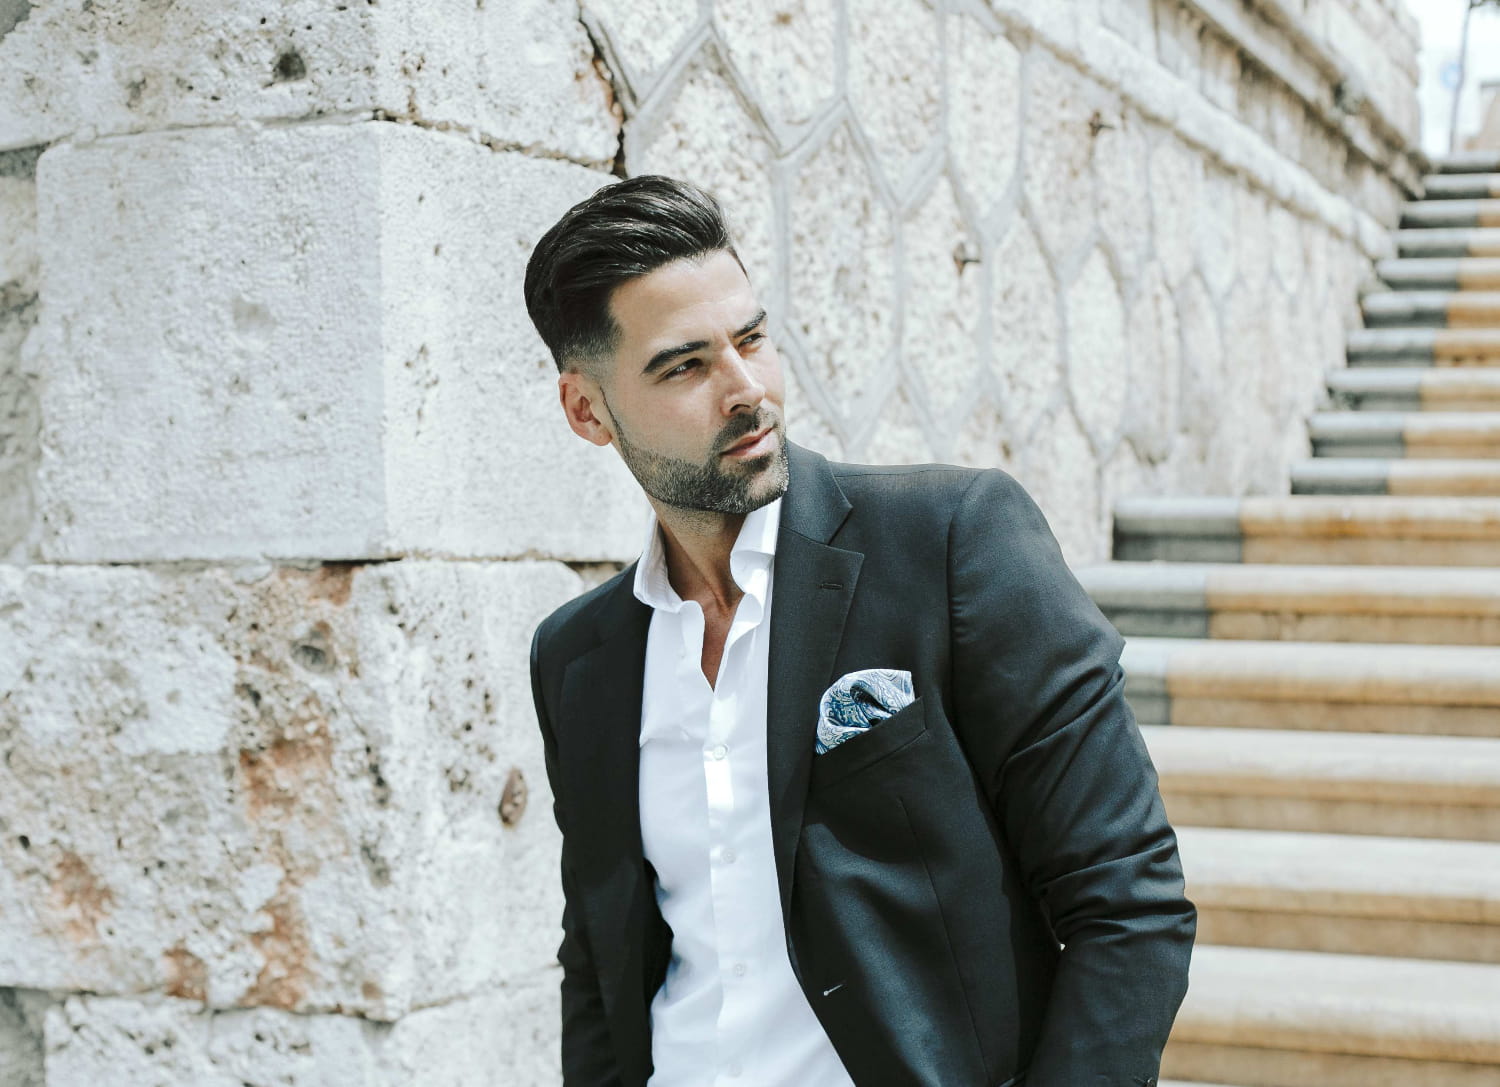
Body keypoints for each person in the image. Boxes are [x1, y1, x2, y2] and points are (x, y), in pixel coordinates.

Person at [523, 174, 1194, 1087]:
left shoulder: (953, 541)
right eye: (686, 365)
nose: (747, 388)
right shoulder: (579, 660)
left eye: (752, 339)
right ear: (586, 410)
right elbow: (599, 967)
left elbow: (1129, 899)